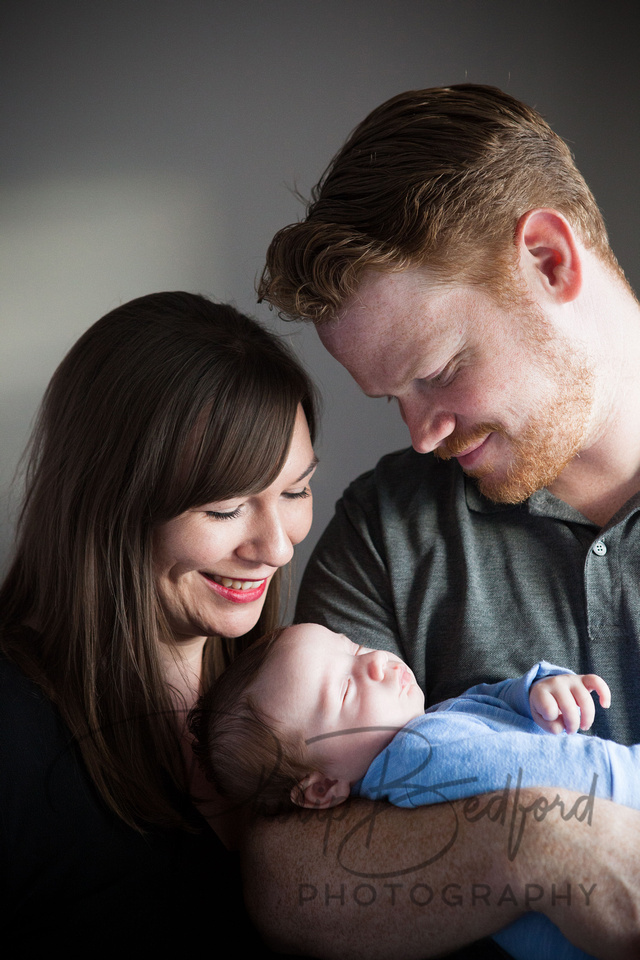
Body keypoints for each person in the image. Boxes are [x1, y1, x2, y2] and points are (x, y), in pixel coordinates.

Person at [252, 85, 640, 958]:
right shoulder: (391, 527)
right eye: (394, 399)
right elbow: (283, 870)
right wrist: (544, 841)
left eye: (438, 371)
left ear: (548, 260)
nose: (423, 435)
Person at [0, 291, 318, 951]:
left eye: (295, 492)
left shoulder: (302, 686)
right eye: (225, 508)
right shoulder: (15, 734)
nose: (278, 548)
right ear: (111, 506)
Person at [191, 621, 631, 960]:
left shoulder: (425, 728)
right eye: (346, 688)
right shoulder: (417, 763)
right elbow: (552, 780)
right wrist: (625, 768)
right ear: (323, 788)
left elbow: (484, 702)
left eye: (353, 647)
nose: (376, 663)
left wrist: (538, 689)